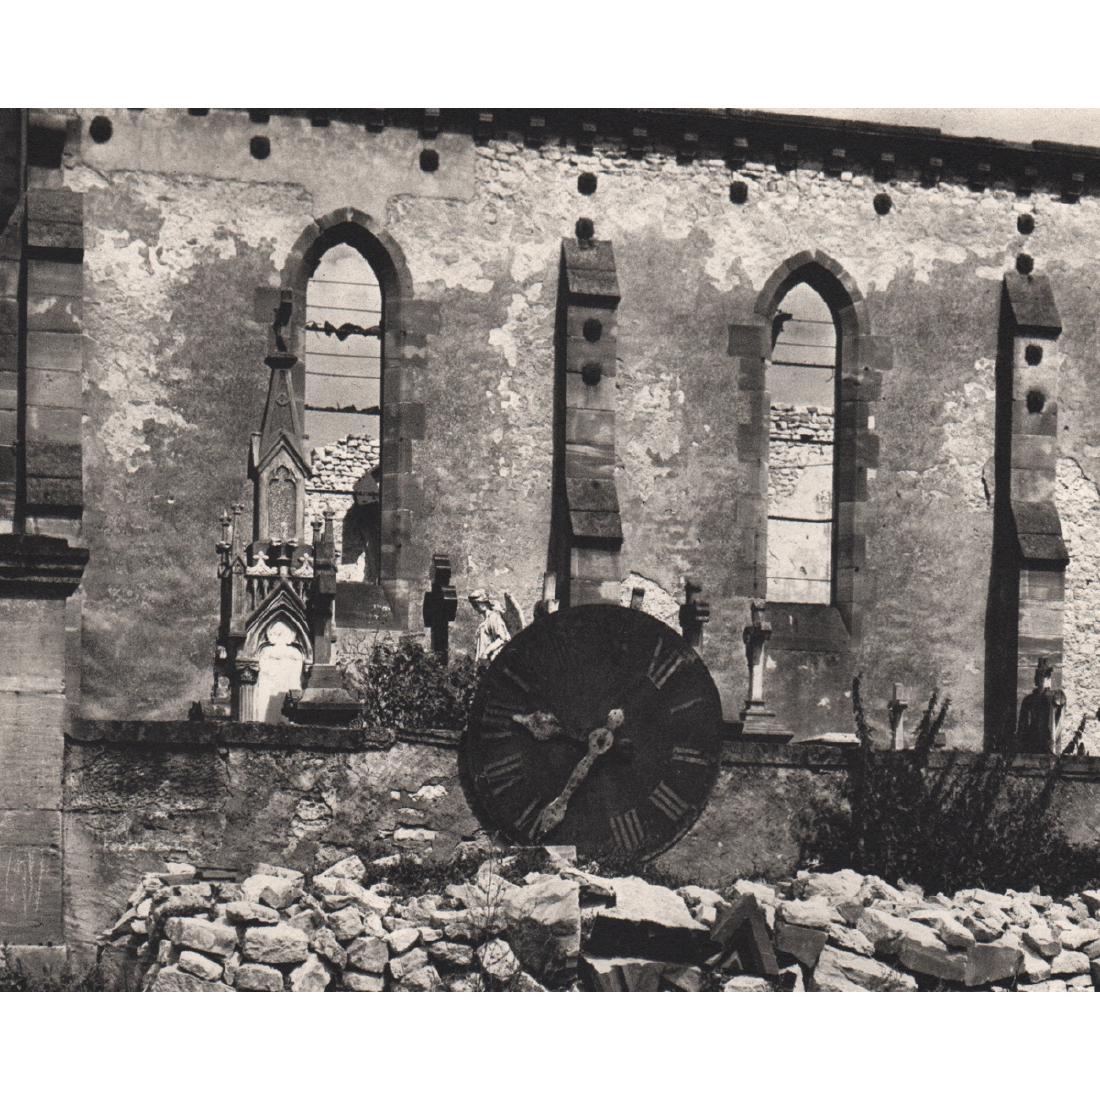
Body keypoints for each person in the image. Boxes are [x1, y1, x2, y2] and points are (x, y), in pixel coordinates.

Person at [469, 588, 511, 664]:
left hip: (492, 661)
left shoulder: (493, 617)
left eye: (476, 604)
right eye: (473, 605)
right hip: (483, 662)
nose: (475, 608)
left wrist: (486, 652)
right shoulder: (484, 622)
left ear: (484, 602)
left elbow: (502, 639)